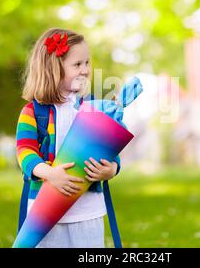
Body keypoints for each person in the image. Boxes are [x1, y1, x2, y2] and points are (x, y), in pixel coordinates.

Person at [16, 28, 121, 248]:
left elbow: (108, 146)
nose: (85, 70)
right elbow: (24, 152)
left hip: (88, 211)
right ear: (53, 68)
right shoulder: (32, 112)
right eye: (77, 64)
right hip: (44, 211)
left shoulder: (93, 107)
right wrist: (50, 174)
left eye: (87, 63)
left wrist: (111, 169)